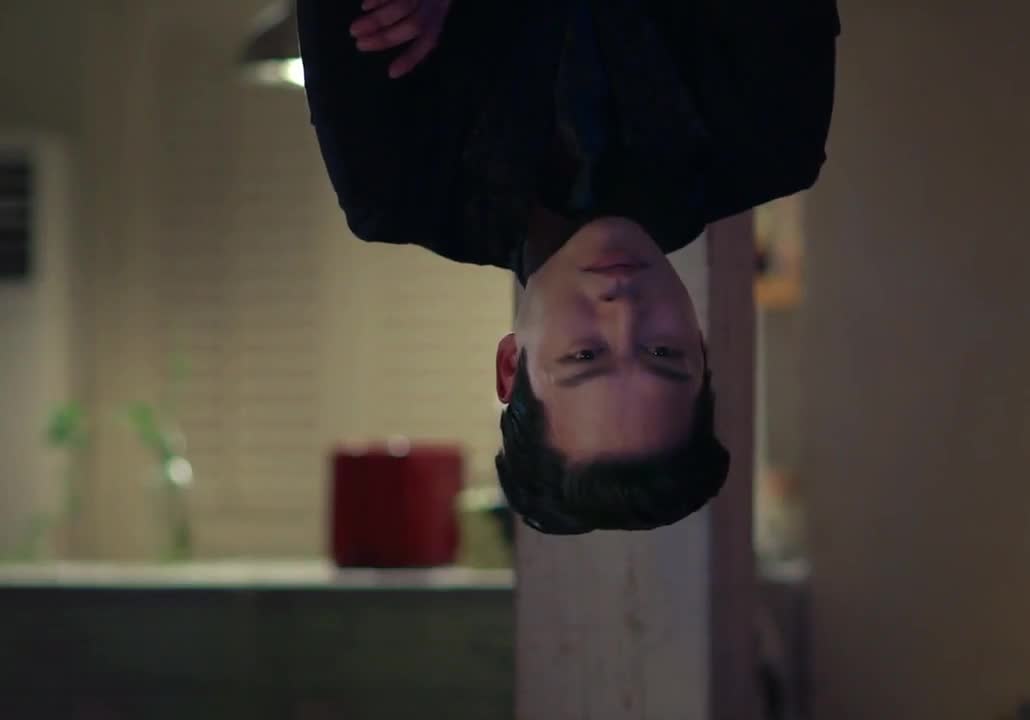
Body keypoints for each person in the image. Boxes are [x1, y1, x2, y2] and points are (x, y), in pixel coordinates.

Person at [296, 0, 839, 533]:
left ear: (511, 365)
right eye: (662, 352)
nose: (622, 309)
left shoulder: (395, 181)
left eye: (585, 355)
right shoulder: (771, 140)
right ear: (700, 346)